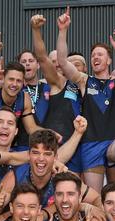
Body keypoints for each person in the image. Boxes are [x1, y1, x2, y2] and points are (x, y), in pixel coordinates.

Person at [56, 7, 115, 200]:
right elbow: (62, 61)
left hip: (113, 143)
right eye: (93, 54)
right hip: (91, 145)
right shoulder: (85, 80)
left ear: (109, 59)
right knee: (96, 200)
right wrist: (63, 31)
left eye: (100, 54)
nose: (95, 57)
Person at [0, 129, 101, 214]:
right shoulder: (15, 177)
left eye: (47, 154)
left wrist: (96, 214)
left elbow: (97, 198)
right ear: (28, 155)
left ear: (55, 157)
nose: (41, 158)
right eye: (36, 153)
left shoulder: (64, 178)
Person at [31, 14, 85, 173]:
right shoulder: (59, 82)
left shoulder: (90, 86)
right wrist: (36, 30)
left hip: (81, 147)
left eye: (78, 64)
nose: (73, 67)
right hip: (56, 147)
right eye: (70, 63)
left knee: (76, 193)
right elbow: (41, 57)